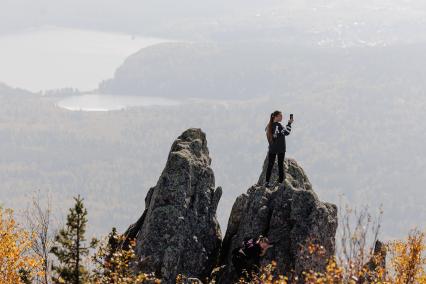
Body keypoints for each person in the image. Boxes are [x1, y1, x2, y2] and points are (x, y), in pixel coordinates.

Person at [264, 110, 294, 187]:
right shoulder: (278, 126)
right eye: (280, 116)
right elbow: (286, 132)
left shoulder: (268, 126)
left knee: (270, 165)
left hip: (272, 149)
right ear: (276, 117)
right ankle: (281, 183)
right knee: (280, 165)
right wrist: (289, 123)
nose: (282, 117)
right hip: (280, 148)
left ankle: (267, 182)